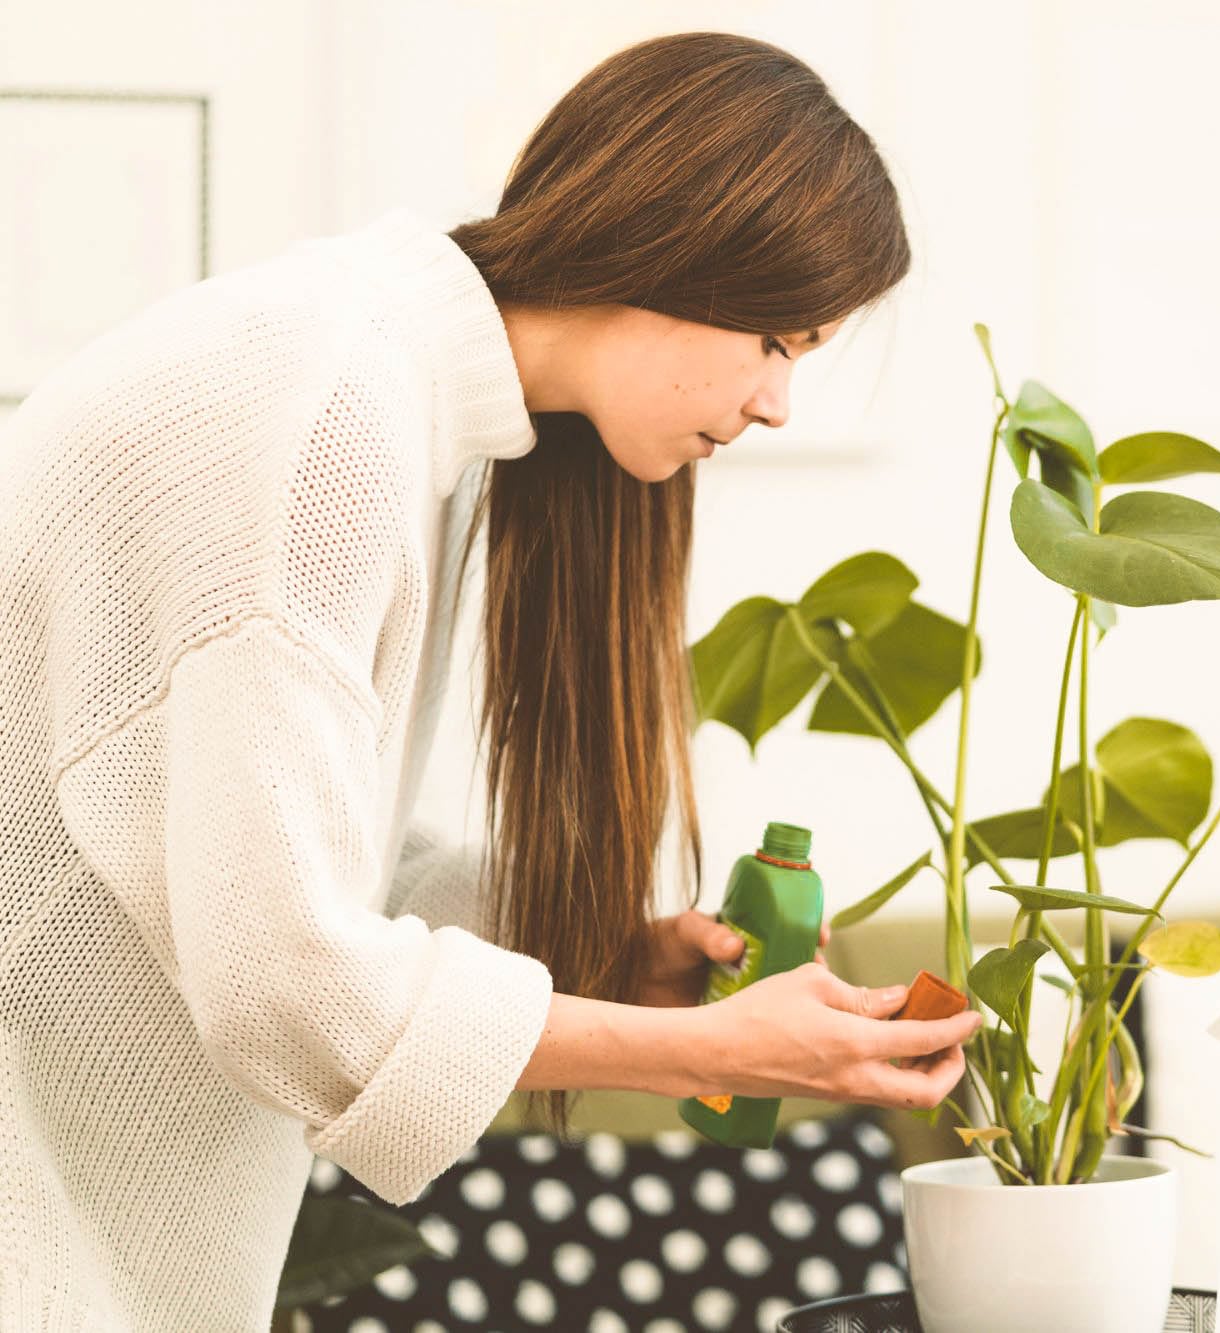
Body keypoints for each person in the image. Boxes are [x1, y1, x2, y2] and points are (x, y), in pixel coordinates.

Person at [0, 30, 982, 1332]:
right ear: (675, 253)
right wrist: (708, 1048)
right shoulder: (315, 405)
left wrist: (605, 952)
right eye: (777, 338)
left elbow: (286, 857)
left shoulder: (397, 400)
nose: (778, 403)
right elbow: (282, 972)